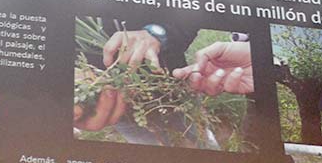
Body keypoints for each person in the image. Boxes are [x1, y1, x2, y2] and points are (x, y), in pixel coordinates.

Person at [75, 23, 254, 136]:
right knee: (151, 154)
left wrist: (157, 33)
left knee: (196, 137)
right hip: (120, 110)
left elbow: (193, 7)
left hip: (175, 92)